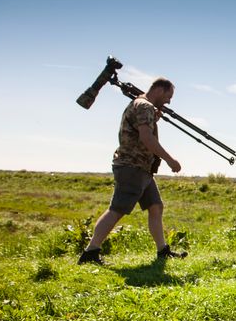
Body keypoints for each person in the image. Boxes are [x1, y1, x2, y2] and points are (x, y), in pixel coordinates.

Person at [78, 77, 187, 264]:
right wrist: (170, 160)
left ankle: (163, 250)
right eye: (169, 96)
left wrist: (155, 119)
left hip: (142, 168)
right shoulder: (144, 107)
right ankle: (90, 252)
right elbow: (147, 138)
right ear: (160, 90)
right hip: (132, 167)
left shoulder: (142, 106)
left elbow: (142, 131)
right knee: (117, 210)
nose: (169, 101)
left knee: (155, 206)